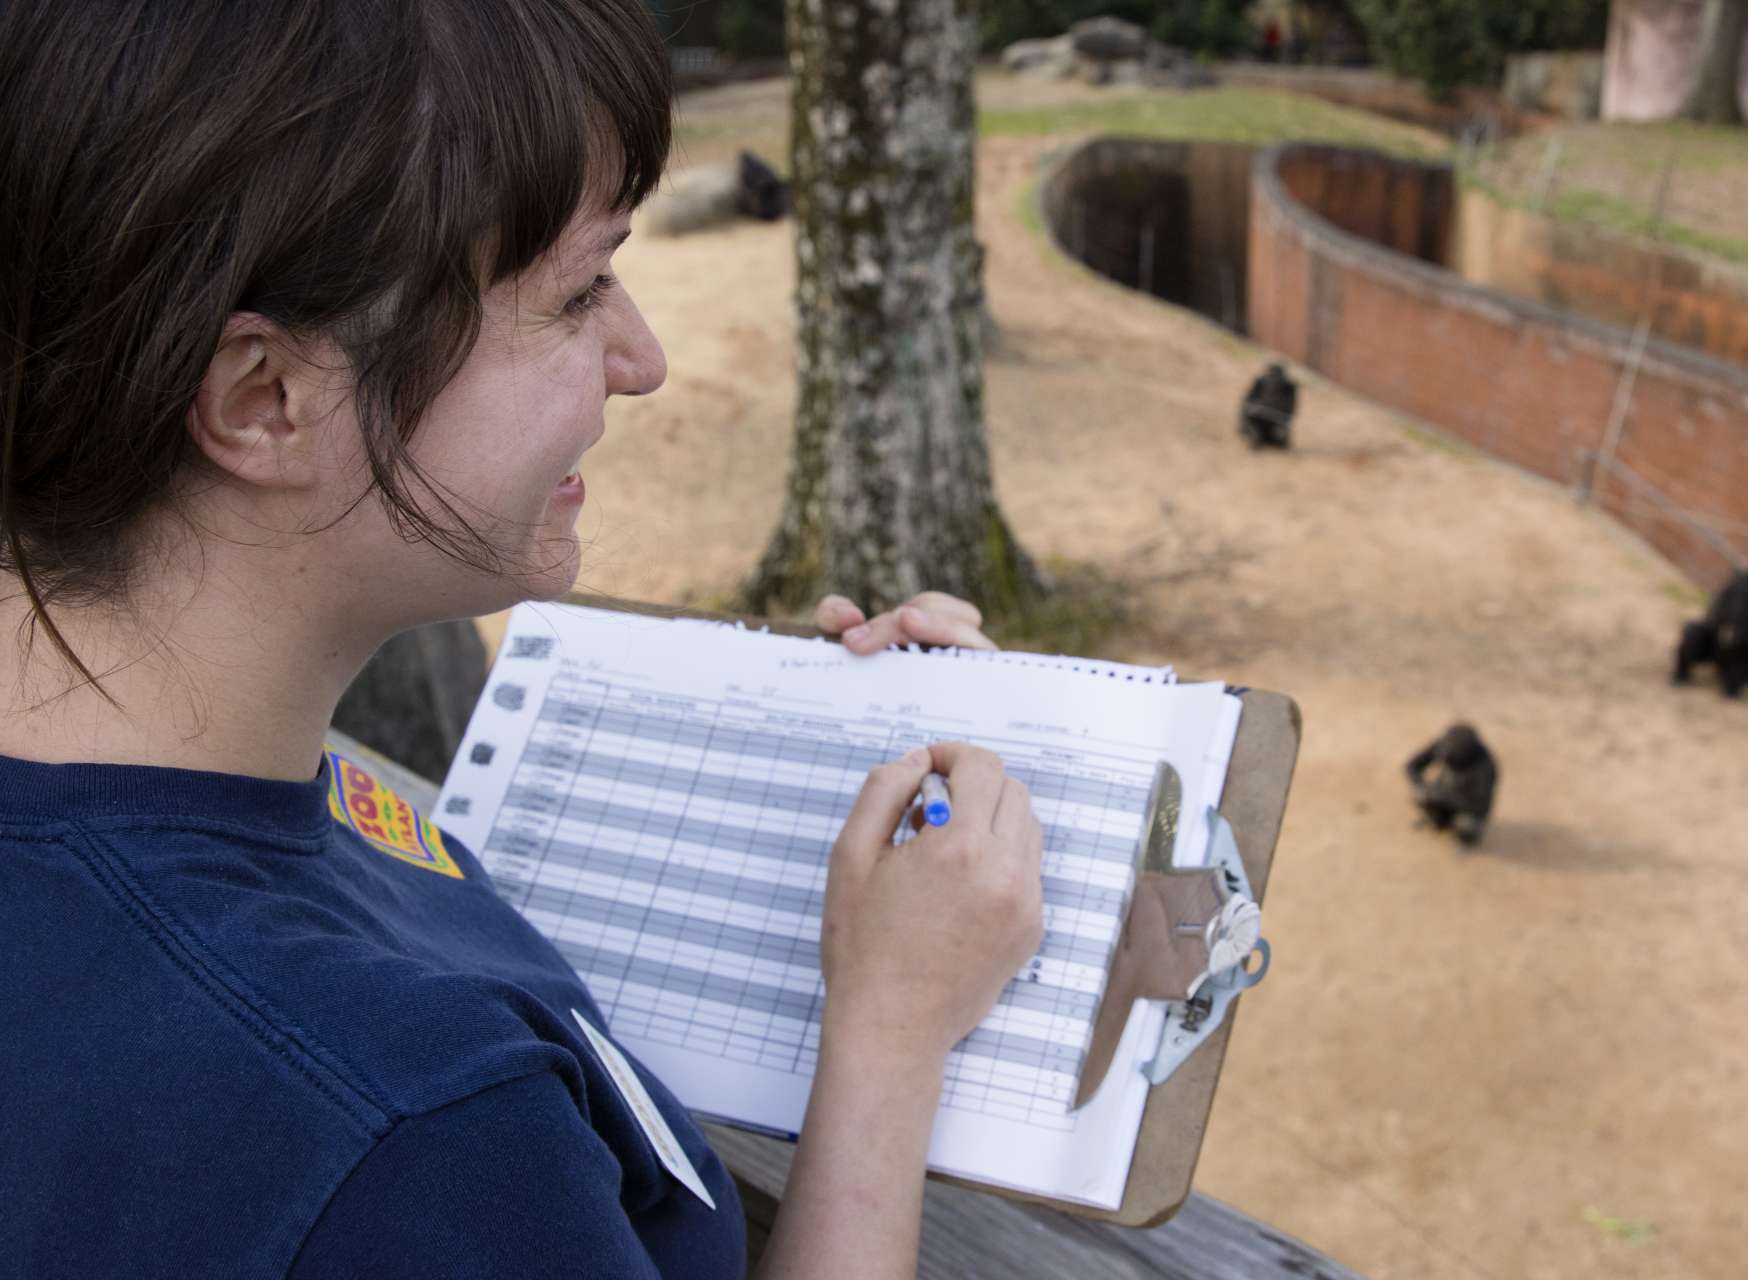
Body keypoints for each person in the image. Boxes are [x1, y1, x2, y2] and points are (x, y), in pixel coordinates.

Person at [0, 3, 1043, 1278]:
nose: (642, 357)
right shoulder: (418, 1130)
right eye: (577, 289)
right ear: (265, 399)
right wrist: (891, 1039)